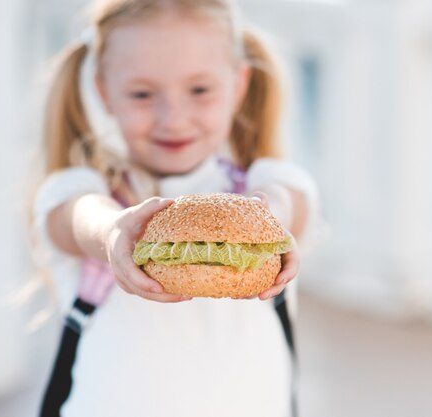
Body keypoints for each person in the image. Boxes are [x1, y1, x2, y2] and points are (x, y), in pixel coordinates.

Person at [32, 0, 321, 416]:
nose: (173, 116)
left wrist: (266, 216)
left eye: (199, 90)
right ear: (104, 93)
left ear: (238, 85)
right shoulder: (85, 193)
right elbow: (77, 218)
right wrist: (113, 232)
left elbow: (288, 201)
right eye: (142, 94)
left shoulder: (267, 184)